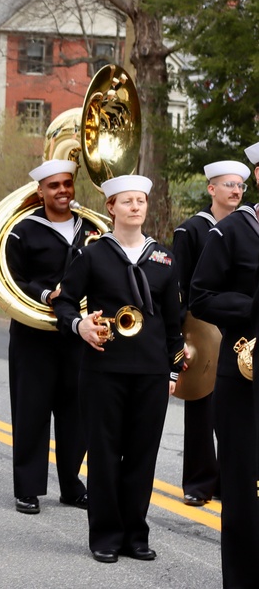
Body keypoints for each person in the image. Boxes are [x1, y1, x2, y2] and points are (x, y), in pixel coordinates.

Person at [53, 175, 183, 564]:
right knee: (106, 453)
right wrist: (80, 325)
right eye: (127, 201)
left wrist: (173, 372)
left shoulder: (163, 257)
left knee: (142, 454)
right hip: (103, 370)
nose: (136, 207)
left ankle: (135, 535)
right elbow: (64, 304)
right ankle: (105, 536)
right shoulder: (92, 255)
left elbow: (175, 323)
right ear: (111, 208)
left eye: (141, 200)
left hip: (151, 372)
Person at [4, 160, 95, 515]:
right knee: (31, 410)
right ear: (40, 191)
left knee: (77, 412)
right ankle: (27, 488)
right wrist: (46, 295)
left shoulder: (91, 228)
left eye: (67, 184)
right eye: (54, 186)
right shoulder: (22, 231)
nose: (62, 191)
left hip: (78, 333)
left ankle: (71, 485)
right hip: (33, 336)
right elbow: (11, 280)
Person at [189, 143, 259, 589]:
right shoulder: (232, 231)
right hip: (246, 371)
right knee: (242, 484)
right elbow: (201, 295)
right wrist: (253, 307)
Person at [172, 160, 248, 508]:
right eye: (229, 184)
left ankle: (228, 480)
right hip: (201, 330)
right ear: (211, 189)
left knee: (235, 413)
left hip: (238, 330)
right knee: (201, 408)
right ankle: (199, 482)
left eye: (240, 186)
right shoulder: (192, 231)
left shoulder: (248, 228)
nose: (236, 191)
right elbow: (182, 288)